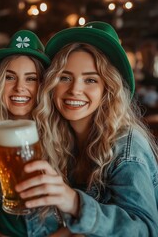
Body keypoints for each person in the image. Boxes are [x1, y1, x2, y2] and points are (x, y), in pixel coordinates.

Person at [13, 21, 158, 236]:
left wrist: (74, 202)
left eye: (90, 79)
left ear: (107, 89)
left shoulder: (127, 147)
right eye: (65, 77)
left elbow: (145, 230)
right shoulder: (54, 135)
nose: (75, 90)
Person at [0, 30, 60, 237]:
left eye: (31, 79)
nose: (19, 88)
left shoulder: (63, 136)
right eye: (10, 77)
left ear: (43, 85)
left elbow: (83, 220)